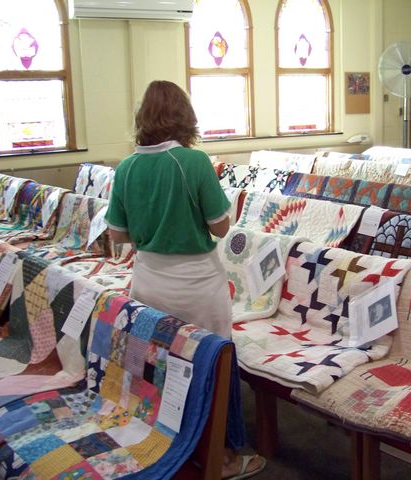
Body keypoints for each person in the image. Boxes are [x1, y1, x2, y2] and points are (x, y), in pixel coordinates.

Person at [105, 80, 265, 480]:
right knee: (211, 367)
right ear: (185, 118)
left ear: (142, 117)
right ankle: (222, 458)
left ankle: (167, 447)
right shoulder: (193, 162)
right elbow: (221, 226)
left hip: (147, 282)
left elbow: (117, 234)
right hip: (196, 287)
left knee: (163, 368)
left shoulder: (126, 168)